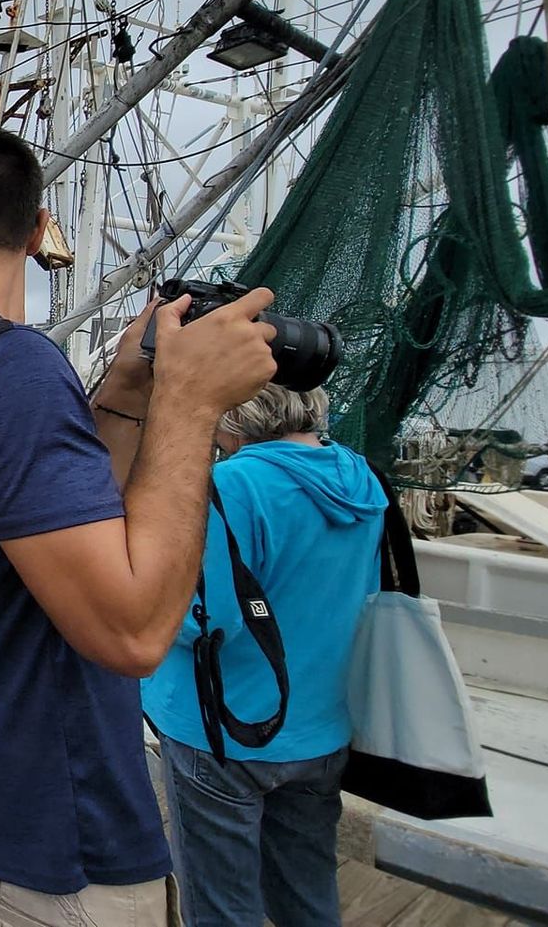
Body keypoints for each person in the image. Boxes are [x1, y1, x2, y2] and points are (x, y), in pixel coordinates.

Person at [0, 129, 278, 924]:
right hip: (33, 841)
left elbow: (31, 526)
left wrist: (122, 389)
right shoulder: (12, 364)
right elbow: (133, 631)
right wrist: (187, 403)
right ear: (40, 229)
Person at [141, 384, 384, 926]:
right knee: (307, 892)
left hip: (225, 732)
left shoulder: (233, 483)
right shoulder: (358, 477)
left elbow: (203, 621)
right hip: (321, 729)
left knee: (222, 908)